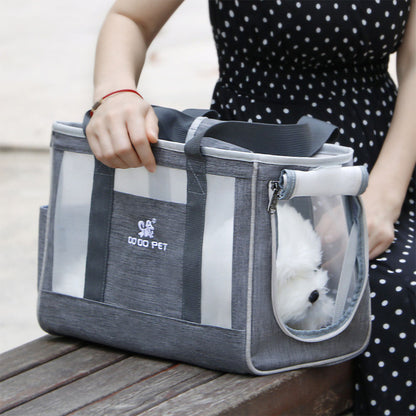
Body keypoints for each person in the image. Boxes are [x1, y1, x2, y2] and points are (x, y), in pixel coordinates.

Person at [86, 1, 416, 414]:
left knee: (393, 292)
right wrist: (116, 93)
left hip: (376, 166)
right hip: (246, 170)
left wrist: (383, 198)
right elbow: (130, 19)